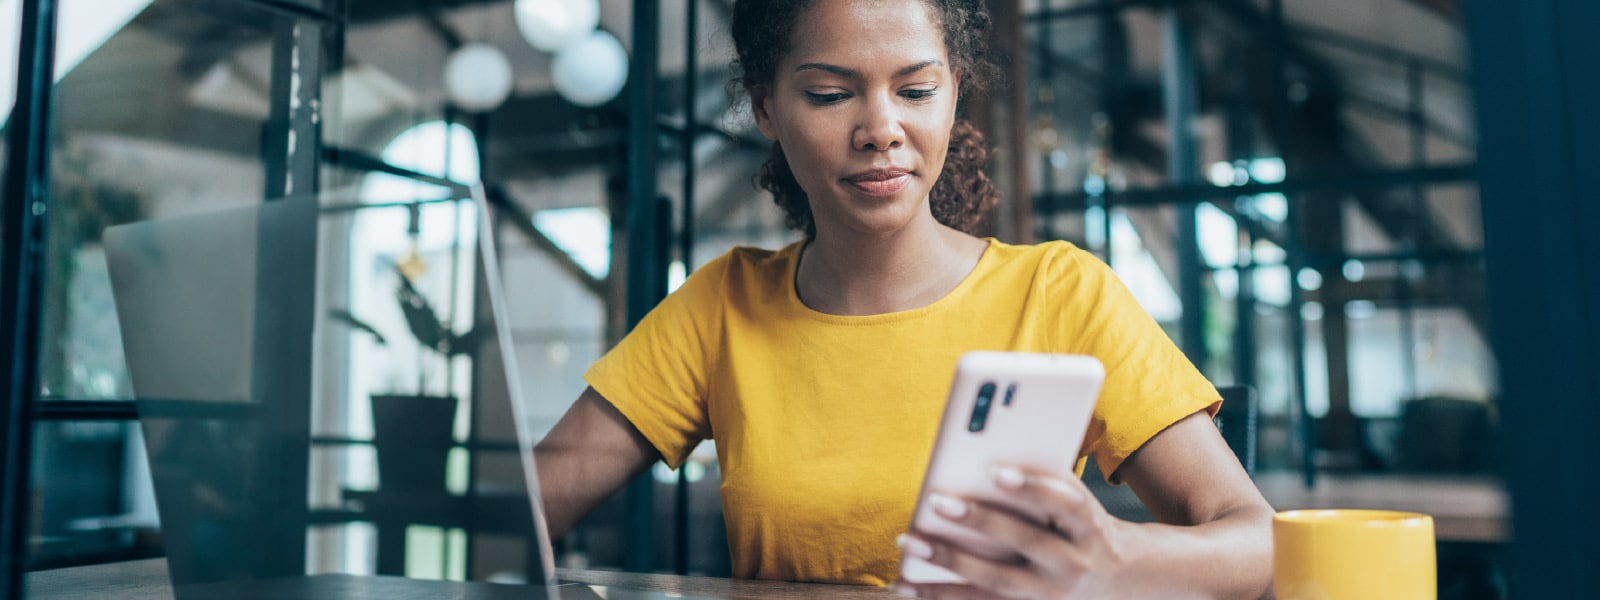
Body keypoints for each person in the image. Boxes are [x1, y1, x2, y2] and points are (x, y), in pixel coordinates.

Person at [533, 0, 1275, 597]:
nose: (882, 130)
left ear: (954, 94)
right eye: (829, 94)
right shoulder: (722, 305)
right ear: (766, 108)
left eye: (916, 90)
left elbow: (1263, 541)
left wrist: (1116, 557)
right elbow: (530, 501)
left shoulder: (1060, 293)